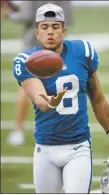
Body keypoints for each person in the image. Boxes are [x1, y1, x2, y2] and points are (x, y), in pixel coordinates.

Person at [13, 3, 109, 193]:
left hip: (78, 147)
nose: (50, 32)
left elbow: (97, 97)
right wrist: (49, 103)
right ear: (36, 32)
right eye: (44, 27)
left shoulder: (83, 52)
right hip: (44, 149)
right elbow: (39, 99)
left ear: (63, 31)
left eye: (55, 27)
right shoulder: (26, 62)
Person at [1, 1, 73, 145]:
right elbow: (67, 20)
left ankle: (18, 130)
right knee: (55, 87)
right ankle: (57, 130)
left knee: (25, 88)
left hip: (33, 46)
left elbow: (26, 16)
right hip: (57, 46)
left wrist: (9, 13)